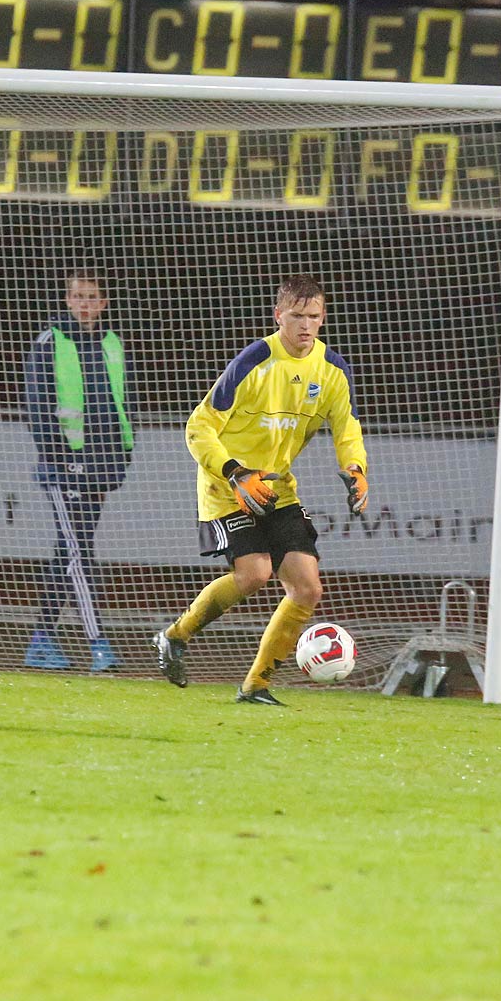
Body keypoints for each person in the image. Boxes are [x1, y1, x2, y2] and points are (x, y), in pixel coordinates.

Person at [153, 274, 367, 705]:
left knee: (307, 588)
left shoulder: (332, 371)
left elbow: (347, 429)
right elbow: (199, 426)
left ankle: (256, 686)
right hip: (228, 485)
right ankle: (175, 636)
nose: (305, 325)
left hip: (277, 488)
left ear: (323, 318)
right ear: (279, 316)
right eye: (297, 316)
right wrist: (233, 472)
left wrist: (356, 468)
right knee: (254, 574)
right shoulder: (254, 362)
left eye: (313, 316)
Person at [22, 270, 133, 672]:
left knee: (67, 553)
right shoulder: (50, 342)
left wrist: (123, 453)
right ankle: (97, 642)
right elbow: (36, 407)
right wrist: (58, 457)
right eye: (78, 296)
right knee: (79, 554)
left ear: (103, 303)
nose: (85, 303)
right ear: (68, 301)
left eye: (92, 297)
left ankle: (42, 640)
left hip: (101, 466)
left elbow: (123, 401)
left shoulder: (112, 343)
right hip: (63, 468)